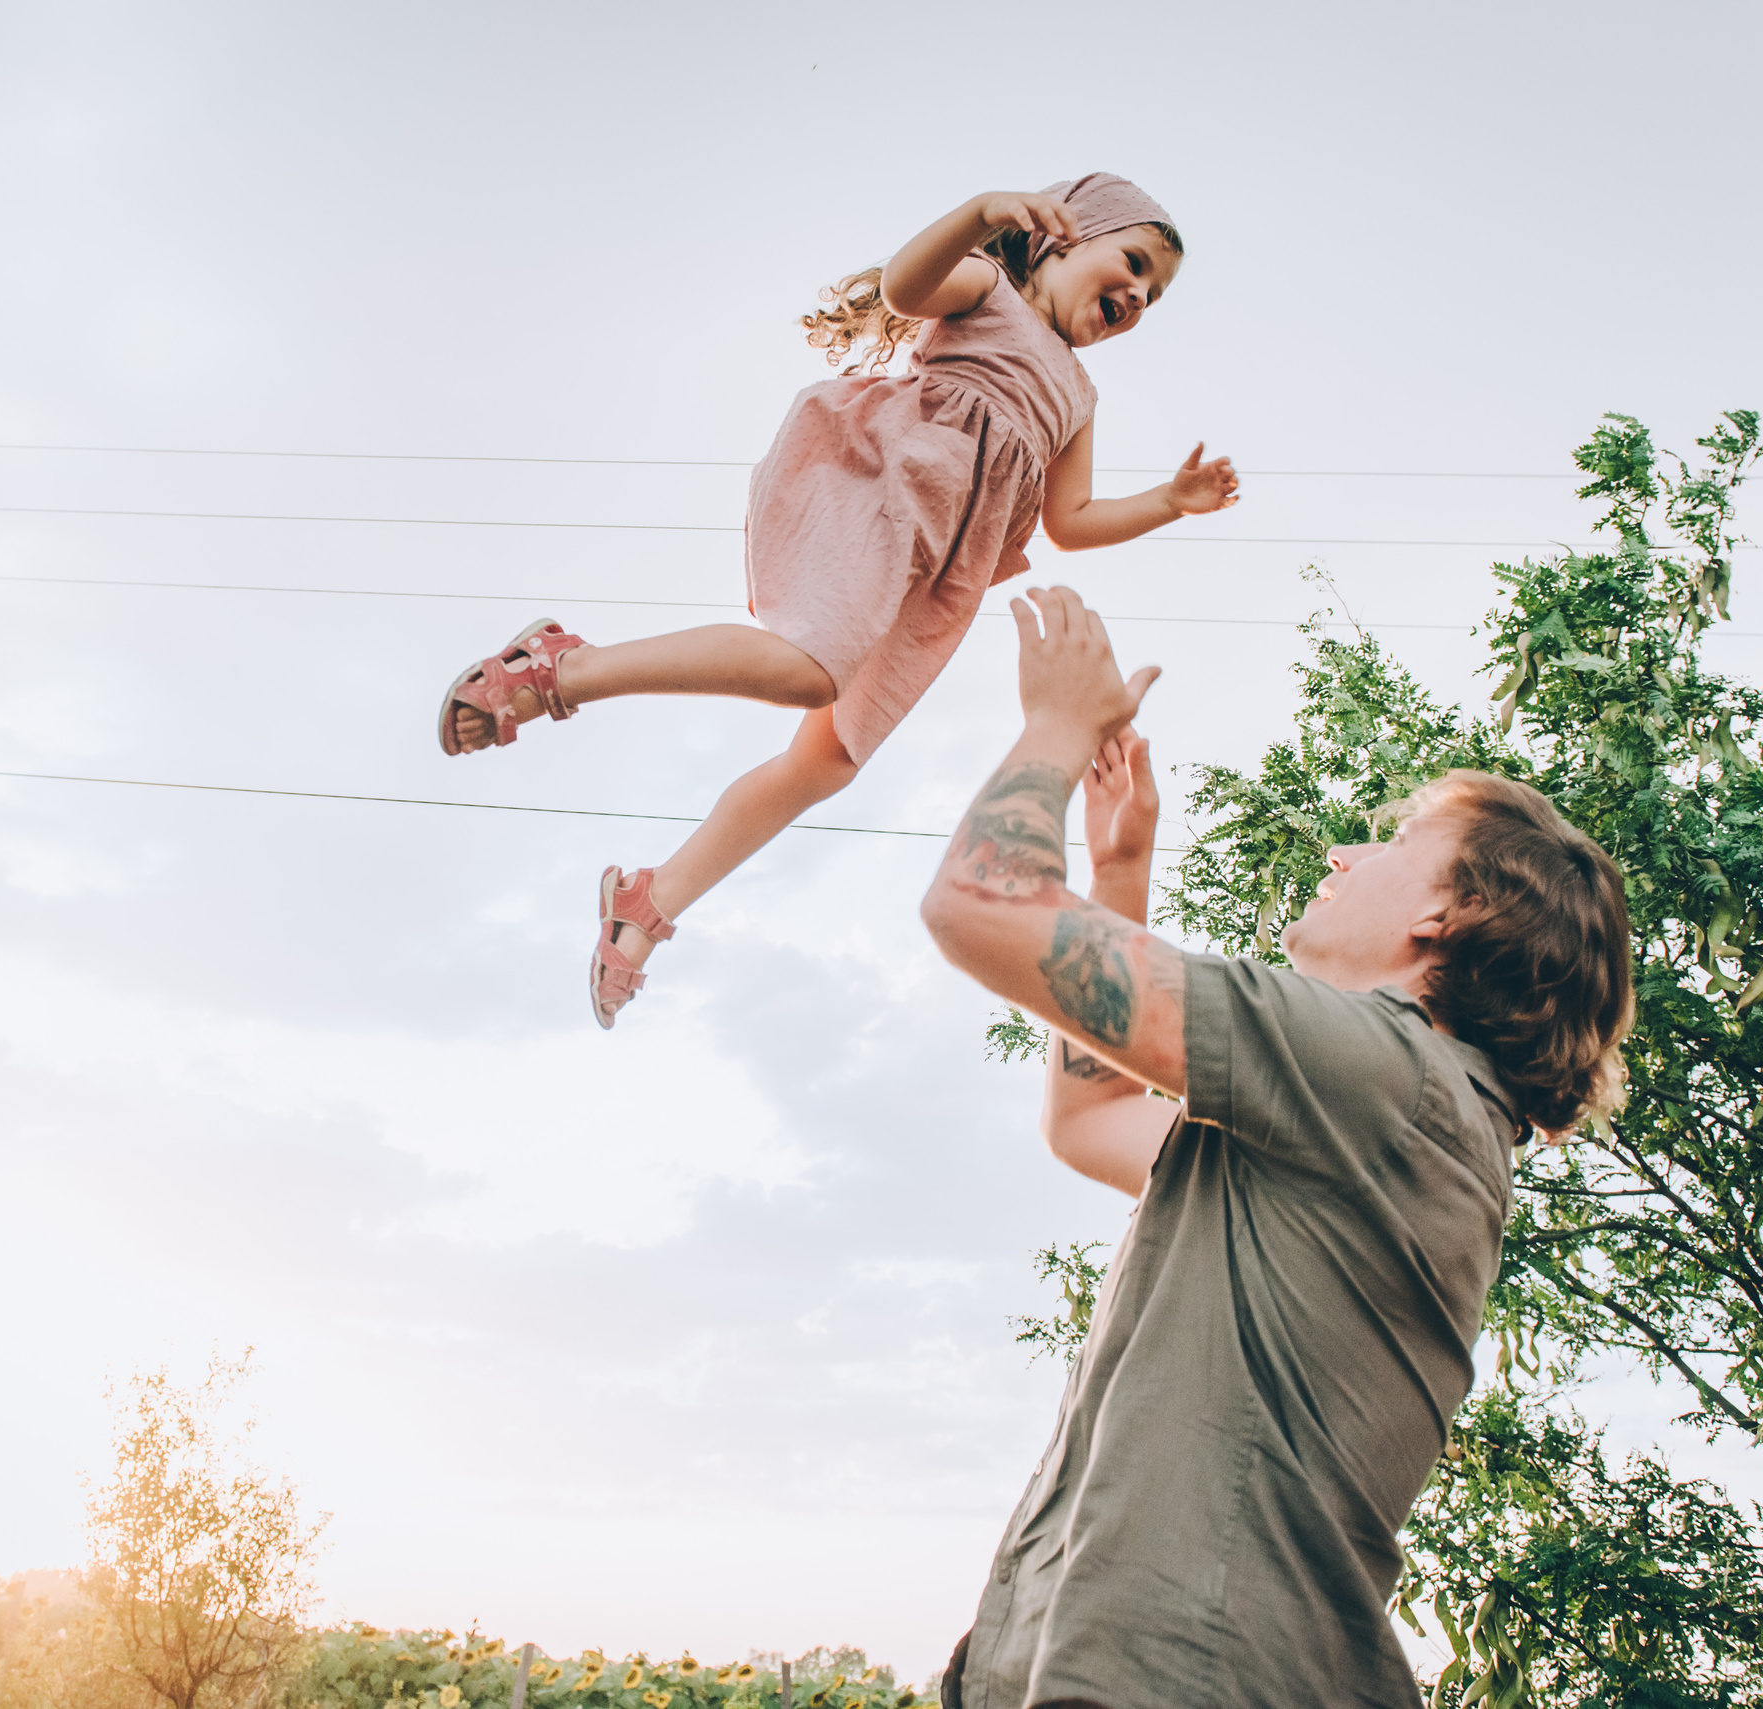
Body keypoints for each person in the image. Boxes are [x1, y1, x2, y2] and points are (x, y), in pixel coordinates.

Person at [919, 588, 1635, 1708]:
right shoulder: (1370, 1120)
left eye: (1397, 841)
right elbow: (1090, 1120)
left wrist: (1056, 724)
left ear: (1449, 913)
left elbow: (978, 902)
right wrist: (1120, 872)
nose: (1349, 852)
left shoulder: (1393, 1075)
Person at [435, 175, 1239, 1028]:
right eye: (1135, 264)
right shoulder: (986, 288)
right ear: (1065, 234)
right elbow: (903, 287)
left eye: (1155, 294)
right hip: (885, 493)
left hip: (939, 574)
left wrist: (1169, 501)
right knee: (807, 671)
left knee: (829, 757)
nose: (1141, 296)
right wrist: (979, 213)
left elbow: (1070, 521)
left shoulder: (1079, 398)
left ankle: (650, 899)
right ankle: (564, 667)